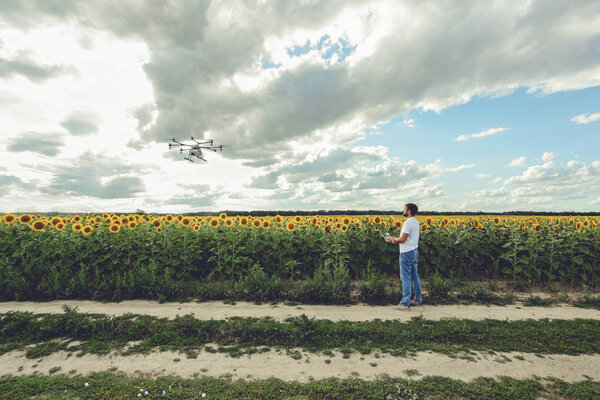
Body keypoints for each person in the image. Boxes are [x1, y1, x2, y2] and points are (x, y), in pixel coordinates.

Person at [387, 203, 422, 310]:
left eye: (404, 209)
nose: (403, 210)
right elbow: (406, 237)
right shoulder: (415, 222)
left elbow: (403, 239)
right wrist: (395, 237)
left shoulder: (408, 223)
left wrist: (392, 240)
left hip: (406, 252)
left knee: (405, 278)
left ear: (409, 211)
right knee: (414, 276)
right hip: (414, 251)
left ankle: (404, 303)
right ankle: (418, 299)